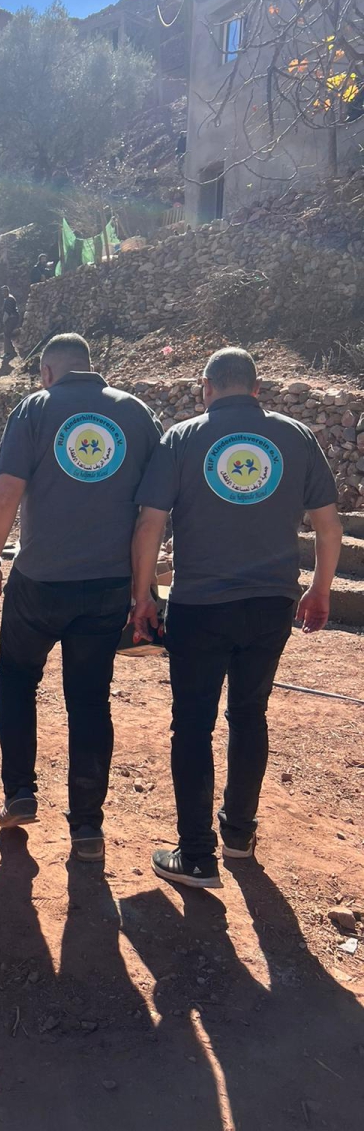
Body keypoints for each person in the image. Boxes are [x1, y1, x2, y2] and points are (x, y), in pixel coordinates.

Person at [132, 347, 342, 889]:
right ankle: (240, 834)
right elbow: (327, 526)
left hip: (201, 606)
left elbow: (150, 523)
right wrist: (319, 589)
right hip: (272, 604)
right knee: (250, 715)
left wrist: (143, 595)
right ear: (257, 389)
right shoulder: (296, 436)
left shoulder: (182, 438)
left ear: (206, 388)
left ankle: (196, 855)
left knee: (193, 724)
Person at [0, 333, 162, 861]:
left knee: (17, 681)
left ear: (46, 372)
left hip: (39, 582)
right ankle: (87, 827)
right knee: (89, 700)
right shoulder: (136, 414)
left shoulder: (34, 409)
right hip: (107, 587)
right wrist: (144, 589)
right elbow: (153, 512)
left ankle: (20, 792)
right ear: (90, 366)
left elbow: (7, 492)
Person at [0, 286, 20, 360]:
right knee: (7, 334)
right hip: (12, 318)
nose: (2, 293)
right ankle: (11, 351)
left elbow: (7, 312)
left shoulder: (9, 299)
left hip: (12, 319)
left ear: (7, 291)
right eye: (2, 292)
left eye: (4, 291)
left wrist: (4, 320)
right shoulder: (9, 298)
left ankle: (9, 353)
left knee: (6, 334)